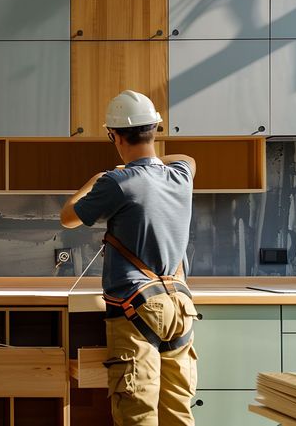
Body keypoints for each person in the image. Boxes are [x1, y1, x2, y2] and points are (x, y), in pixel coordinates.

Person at [60, 90, 198, 426]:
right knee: (178, 410)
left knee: (137, 411)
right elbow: (188, 158)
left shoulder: (115, 182)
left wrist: (96, 180)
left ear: (114, 135)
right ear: (154, 130)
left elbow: (68, 217)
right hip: (180, 305)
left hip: (135, 308)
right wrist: (149, 161)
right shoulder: (181, 175)